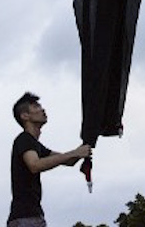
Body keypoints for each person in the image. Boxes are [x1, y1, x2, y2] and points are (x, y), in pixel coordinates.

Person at [7, 92, 92, 227]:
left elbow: (69, 161)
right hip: (26, 218)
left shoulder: (36, 146)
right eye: (36, 107)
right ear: (25, 116)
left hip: (31, 217)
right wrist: (75, 153)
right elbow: (35, 165)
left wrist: (88, 141)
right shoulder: (24, 139)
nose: (42, 109)